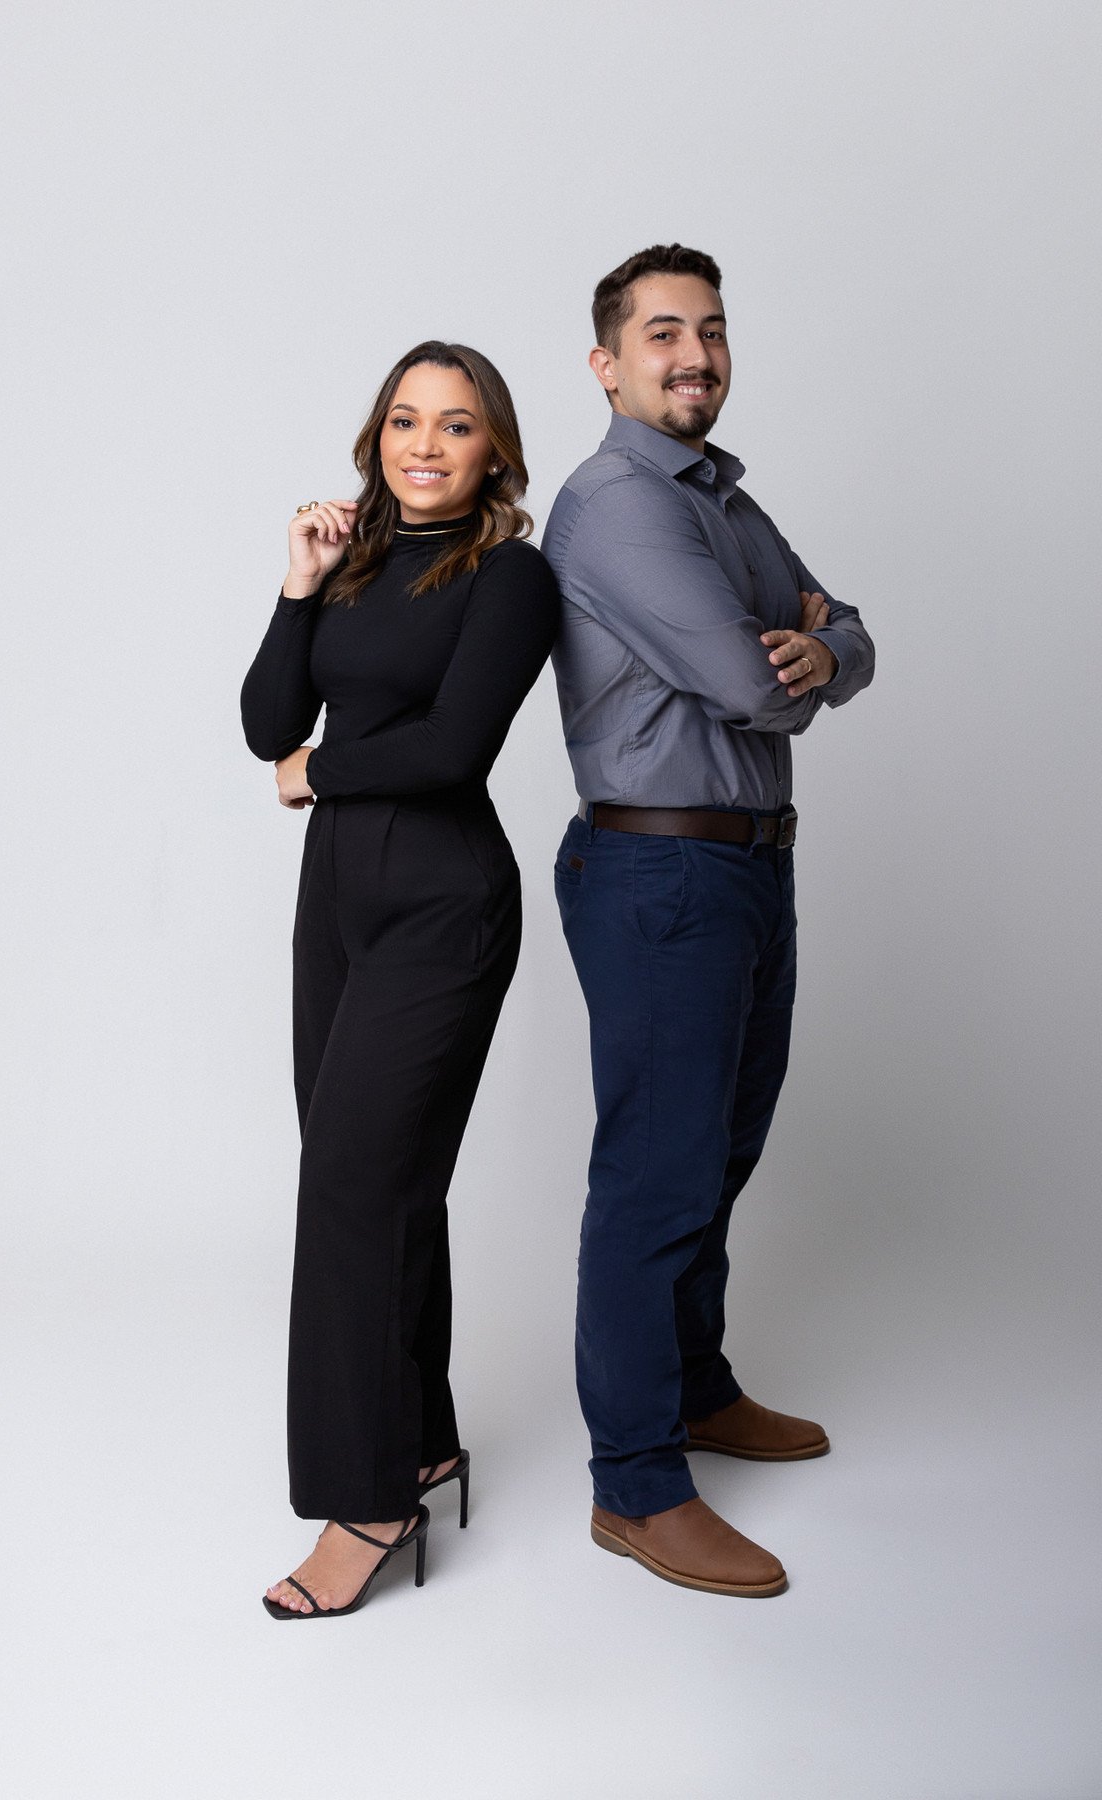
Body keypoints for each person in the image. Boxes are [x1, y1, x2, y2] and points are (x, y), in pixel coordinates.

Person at [543, 244, 875, 1597]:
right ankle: (634, 1485)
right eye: (665, 333)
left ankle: (692, 1386)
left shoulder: (718, 496)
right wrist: (797, 655)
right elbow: (756, 686)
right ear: (608, 363)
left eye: (714, 331)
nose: (696, 355)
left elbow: (846, 632)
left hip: (745, 867)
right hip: (659, 873)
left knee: (721, 1150)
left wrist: (828, 645)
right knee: (657, 1173)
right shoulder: (619, 505)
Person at [242, 341, 559, 1618]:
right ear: (377, 437)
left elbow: (449, 748)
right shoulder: (355, 563)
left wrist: (321, 773)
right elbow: (267, 724)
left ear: (495, 449)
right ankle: (419, 1435)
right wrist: (299, 586)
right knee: (379, 1179)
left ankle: (367, 1500)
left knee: (351, 1187)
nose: (426, 445)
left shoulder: (513, 577)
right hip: (337, 898)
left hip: (441, 899)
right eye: (406, 422)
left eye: (457, 425)